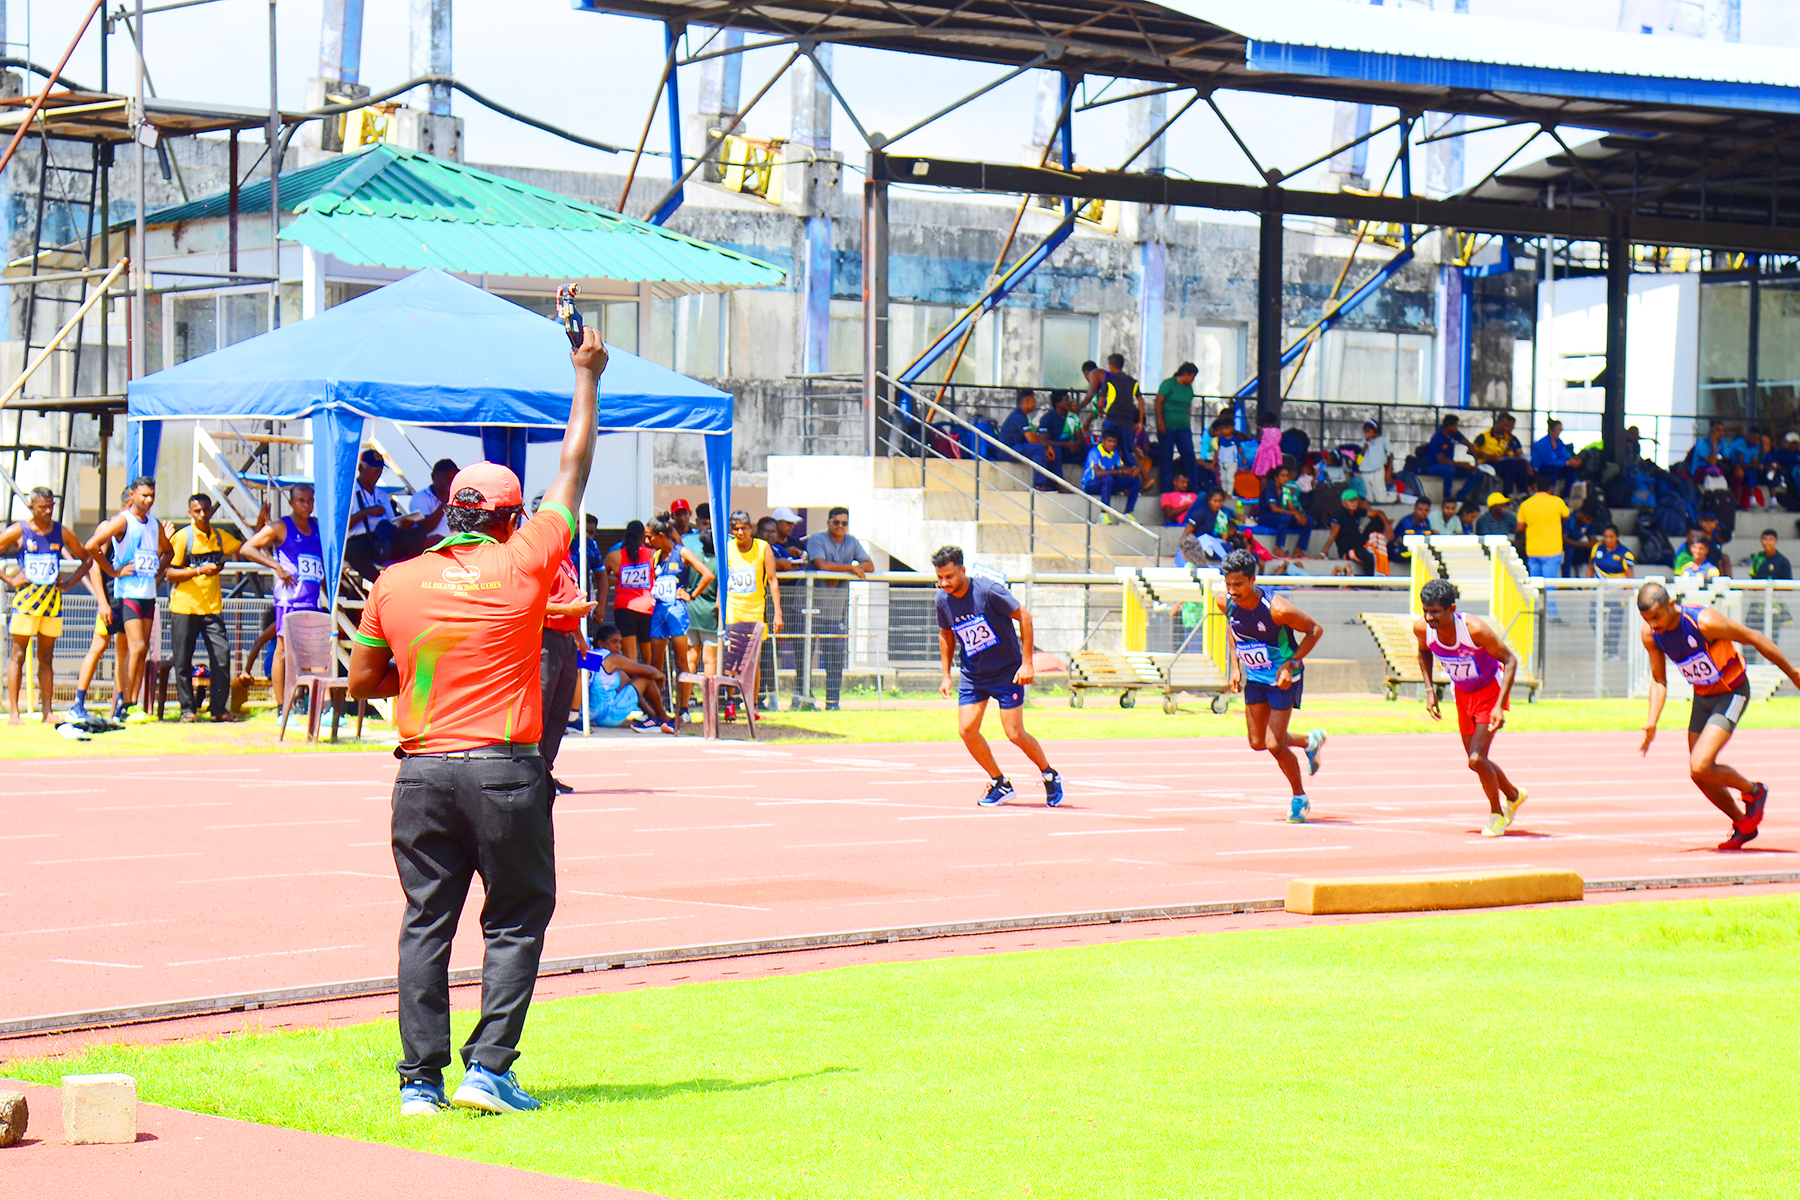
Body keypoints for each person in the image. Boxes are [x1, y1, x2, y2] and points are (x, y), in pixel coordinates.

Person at [347, 325, 606, 1118]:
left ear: (450, 510)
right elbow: (574, 468)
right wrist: (586, 373)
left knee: (426, 921)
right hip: (503, 768)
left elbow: (361, 682)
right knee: (516, 918)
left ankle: (418, 1084)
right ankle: (488, 1071)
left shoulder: (395, 580)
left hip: (422, 772)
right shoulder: (526, 561)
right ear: (510, 517)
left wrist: (428, 669)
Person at [1636, 581, 1800, 849]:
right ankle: (1743, 823)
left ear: (1671, 604)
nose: (1653, 624)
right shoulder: (1651, 634)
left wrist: (1792, 673)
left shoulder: (1704, 622)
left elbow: (1754, 637)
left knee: (1700, 764)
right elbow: (1658, 680)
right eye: (1647, 619)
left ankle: (1754, 791)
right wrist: (1652, 721)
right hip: (1702, 698)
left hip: (1732, 692)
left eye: (1657, 616)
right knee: (1699, 774)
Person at [932, 544, 1062, 808]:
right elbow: (946, 634)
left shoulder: (988, 591)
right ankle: (1000, 782)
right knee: (966, 730)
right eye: (940, 578)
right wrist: (946, 674)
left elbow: (1024, 616)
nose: (944, 583)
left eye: (949, 577)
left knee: (1014, 733)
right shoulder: (942, 600)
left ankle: (1049, 774)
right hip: (974, 674)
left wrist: (1027, 663)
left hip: (1006, 672)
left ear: (963, 570)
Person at [1217, 549, 1326, 823]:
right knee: (1257, 743)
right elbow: (1232, 629)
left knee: (1275, 744)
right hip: (1255, 677)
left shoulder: (1277, 608)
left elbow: (1315, 630)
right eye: (1228, 584)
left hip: (1282, 678)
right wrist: (1235, 666)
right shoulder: (1225, 602)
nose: (1232, 590)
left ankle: (1299, 797)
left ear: (1253, 579)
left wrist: (1292, 664)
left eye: (1238, 584)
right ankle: (1308, 740)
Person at [1414, 578, 1526, 837]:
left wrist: (1500, 706)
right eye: (1426, 611)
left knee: (1476, 758)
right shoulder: (1423, 629)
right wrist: (1430, 691)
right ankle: (1513, 795)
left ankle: (1497, 815)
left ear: (1452, 609)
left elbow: (1510, 661)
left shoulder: (1474, 629)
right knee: (1476, 761)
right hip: (1463, 694)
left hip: (1489, 691)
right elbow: (1423, 652)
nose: (1429, 618)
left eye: (1435, 612)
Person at [1, 486, 98, 724]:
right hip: (26, 602)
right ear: (31, 507)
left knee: (46, 657)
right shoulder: (19, 530)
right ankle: (14, 713)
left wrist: (70, 582)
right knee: (18, 654)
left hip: (52, 603)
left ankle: (48, 712)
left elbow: (87, 558)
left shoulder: (61, 531)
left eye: (51, 507)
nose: (47, 511)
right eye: (43, 507)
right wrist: (11, 580)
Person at [84, 475, 168, 725]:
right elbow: (92, 546)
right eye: (144, 495)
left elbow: (168, 551)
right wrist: (114, 572)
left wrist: (157, 573)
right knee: (136, 647)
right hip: (127, 593)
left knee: (140, 651)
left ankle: (131, 705)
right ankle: (126, 704)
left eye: (152, 495)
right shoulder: (122, 521)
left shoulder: (154, 524)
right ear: (132, 495)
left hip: (148, 594)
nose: (149, 500)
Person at [240, 483, 327, 719]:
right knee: (282, 651)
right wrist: (276, 566)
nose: (307, 505)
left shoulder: (317, 527)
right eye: (301, 500)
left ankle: (320, 706)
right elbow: (248, 548)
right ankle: (282, 709)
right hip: (289, 598)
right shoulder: (281, 526)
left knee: (315, 652)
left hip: (312, 599)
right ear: (291, 503)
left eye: (310, 500)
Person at [165, 494, 243, 724]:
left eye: (206, 510)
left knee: (221, 656)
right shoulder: (183, 537)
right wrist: (199, 570)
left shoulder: (218, 536)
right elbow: (169, 573)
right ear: (190, 513)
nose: (202, 514)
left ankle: (218, 709)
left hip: (211, 608)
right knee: (182, 660)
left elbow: (245, 547)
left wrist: (260, 525)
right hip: (184, 607)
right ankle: (188, 709)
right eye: (197, 511)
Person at [539, 536, 598, 795]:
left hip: (566, 640)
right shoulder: (541, 558)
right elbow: (529, 603)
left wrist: (580, 638)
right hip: (546, 639)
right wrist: (568, 609)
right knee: (542, 709)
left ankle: (545, 771)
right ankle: (532, 773)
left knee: (560, 711)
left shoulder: (566, 557)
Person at [69, 487, 131, 726]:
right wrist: (102, 601)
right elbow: (95, 564)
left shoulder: (139, 528)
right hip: (111, 599)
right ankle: (78, 703)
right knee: (98, 647)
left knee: (124, 652)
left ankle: (121, 705)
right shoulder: (109, 526)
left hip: (130, 598)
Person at [647, 513, 715, 716]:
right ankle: (656, 709)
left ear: (661, 535)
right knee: (655, 663)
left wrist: (691, 595)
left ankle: (683, 708)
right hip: (659, 610)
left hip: (676, 610)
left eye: (650, 537)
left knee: (681, 660)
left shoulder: (682, 552)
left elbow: (708, 575)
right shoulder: (656, 556)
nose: (647, 541)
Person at [804, 506, 871, 710]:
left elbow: (869, 565)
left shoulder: (852, 542)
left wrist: (841, 572)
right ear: (828, 523)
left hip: (834, 613)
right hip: (809, 610)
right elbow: (822, 565)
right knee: (804, 657)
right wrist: (850, 568)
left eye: (844, 523)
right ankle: (803, 700)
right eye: (836, 522)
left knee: (835, 659)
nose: (840, 526)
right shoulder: (817, 539)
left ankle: (833, 702)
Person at [724, 509, 783, 707]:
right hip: (733, 608)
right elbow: (722, 580)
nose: (740, 532)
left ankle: (752, 703)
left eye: (744, 528)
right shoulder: (727, 548)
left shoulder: (763, 547)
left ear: (751, 528)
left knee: (753, 660)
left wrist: (778, 613)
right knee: (732, 657)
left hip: (756, 609)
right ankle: (730, 701)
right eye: (736, 529)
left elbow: (772, 580)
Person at [585, 622, 679, 732]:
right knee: (645, 678)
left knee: (628, 681)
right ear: (601, 643)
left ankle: (654, 717)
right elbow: (649, 671)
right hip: (608, 715)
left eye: (620, 642)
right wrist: (661, 676)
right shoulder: (612, 658)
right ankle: (664, 719)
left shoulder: (592, 655)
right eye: (614, 642)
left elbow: (631, 688)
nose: (618, 646)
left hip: (590, 716)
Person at [604, 520, 656, 665]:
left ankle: (633, 679)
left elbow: (601, 578)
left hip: (624, 608)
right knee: (648, 657)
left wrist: (618, 579)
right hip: (647, 608)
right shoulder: (652, 554)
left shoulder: (614, 556)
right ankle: (649, 678)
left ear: (625, 535)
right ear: (642, 537)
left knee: (630, 657)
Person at [684, 504, 721, 677]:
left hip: (690, 611)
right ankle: (709, 694)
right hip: (709, 615)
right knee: (709, 660)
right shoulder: (720, 564)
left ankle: (684, 693)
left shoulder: (694, 559)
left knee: (690, 657)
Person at [397, 458, 458, 557]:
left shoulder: (459, 498)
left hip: (455, 550)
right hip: (430, 552)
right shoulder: (420, 497)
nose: (450, 480)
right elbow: (425, 527)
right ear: (433, 476)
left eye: (454, 476)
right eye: (446, 476)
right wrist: (445, 502)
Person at [1152, 362, 1199, 490]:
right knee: (1166, 456)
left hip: (1183, 426)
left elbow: (1188, 405)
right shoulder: (1168, 384)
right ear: (1186, 374)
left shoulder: (1189, 388)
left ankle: (1193, 486)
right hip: (1167, 425)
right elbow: (1158, 402)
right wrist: (1160, 421)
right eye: (1192, 376)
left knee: (1189, 454)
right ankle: (1166, 488)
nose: (1193, 380)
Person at [1592, 524, 1635, 658]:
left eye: (1611, 537)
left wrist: (1627, 593)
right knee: (1593, 619)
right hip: (1600, 592)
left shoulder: (1625, 553)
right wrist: (1585, 587)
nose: (1608, 539)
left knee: (1614, 623)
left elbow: (1630, 575)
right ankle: (1605, 643)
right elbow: (1590, 566)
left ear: (1617, 537)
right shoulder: (1597, 548)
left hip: (1617, 593)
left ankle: (1612, 651)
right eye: (1606, 536)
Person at [1516, 476, 1569, 582]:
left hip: (1533, 550)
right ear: (1551, 489)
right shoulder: (1557, 502)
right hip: (1552, 550)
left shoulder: (1525, 504)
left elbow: (1520, 527)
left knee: (1535, 585)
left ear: (1535, 487)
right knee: (1549, 584)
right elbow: (1566, 516)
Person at [999, 389, 1057, 481]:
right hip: (1007, 451)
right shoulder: (1018, 416)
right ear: (1027, 401)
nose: (1035, 403)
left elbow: (1034, 435)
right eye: (1033, 401)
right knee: (1038, 448)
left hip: (1015, 447)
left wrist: (1047, 446)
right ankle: (1040, 484)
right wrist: (1045, 448)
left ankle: (1053, 482)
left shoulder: (1023, 415)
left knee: (1051, 449)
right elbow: (1032, 440)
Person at [1082, 428, 1140, 517]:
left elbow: (1121, 467)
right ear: (1103, 441)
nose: (1112, 444)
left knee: (1135, 480)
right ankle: (1103, 514)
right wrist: (1121, 472)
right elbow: (1098, 473)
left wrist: (1131, 471)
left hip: (1108, 484)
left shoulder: (1115, 453)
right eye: (1109, 441)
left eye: (1114, 442)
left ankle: (1127, 513)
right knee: (1108, 478)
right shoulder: (1095, 452)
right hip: (1091, 484)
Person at [1423, 414, 1480, 503]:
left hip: (1451, 464)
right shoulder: (1437, 438)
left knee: (1476, 472)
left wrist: (1476, 461)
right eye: (1456, 426)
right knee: (1449, 470)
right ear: (1450, 427)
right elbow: (1441, 460)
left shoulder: (1454, 434)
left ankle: (1461, 496)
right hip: (1435, 466)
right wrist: (1462, 464)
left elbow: (1468, 444)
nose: (1457, 428)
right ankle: (1447, 497)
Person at [1471, 412, 1530, 496]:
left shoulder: (1507, 438)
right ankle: (1507, 494)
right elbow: (1471, 450)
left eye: (1508, 426)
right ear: (1497, 423)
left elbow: (1510, 453)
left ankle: (1523, 492)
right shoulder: (1484, 436)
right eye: (1504, 425)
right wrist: (1486, 456)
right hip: (1486, 462)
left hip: (1500, 461)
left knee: (1521, 464)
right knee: (1511, 465)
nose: (1506, 428)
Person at [1325, 492, 1384, 575]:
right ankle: (1370, 581)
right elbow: (1332, 536)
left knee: (1377, 521)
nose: (1353, 503)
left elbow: (1377, 513)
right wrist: (1323, 553)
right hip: (1347, 550)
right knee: (1368, 557)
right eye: (1351, 501)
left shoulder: (1356, 512)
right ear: (1344, 503)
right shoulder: (1339, 514)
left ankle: (1372, 546)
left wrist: (1387, 526)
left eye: (1355, 500)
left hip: (1360, 545)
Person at [1258, 464, 1311, 553]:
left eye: (1287, 476)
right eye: (1282, 476)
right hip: (1266, 517)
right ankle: (1278, 548)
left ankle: (1298, 549)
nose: (1285, 478)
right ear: (1276, 478)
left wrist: (1299, 515)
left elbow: (1291, 506)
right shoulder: (1270, 488)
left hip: (1280, 518)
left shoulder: (1286, 488)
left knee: (1308, 520)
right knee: (1285, 517)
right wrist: (1293, 513)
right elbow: (1274, 509)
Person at [1531, 419, 1583, 497]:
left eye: (1560, 430)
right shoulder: (1542, 443)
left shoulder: (1559, 443)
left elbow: (1564, 456)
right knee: (1553, 470)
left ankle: (1566, 495)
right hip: (1542, 468)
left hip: (1556, 468)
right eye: (1558, 429)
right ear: (1551, 430)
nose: (1559, 432)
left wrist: (1572, 460)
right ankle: (1550, 494)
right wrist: (1566, 463)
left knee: (1571, 470)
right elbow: (1547, 461)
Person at [1390, 496, 1434, 574]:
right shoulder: (1407, 520)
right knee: (1419, 555)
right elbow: (1412, 540)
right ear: (1415, 509)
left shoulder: (1426, 521)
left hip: (1412, 549)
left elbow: (1427, 539)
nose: (1423, 512)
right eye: (1420, 509)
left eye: (1426, 510)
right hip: (1397, 550)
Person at [1355, 418, 1394, 503]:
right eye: (1365, 431)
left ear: (1375, 429)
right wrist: (1366, 442)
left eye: (1369, 431)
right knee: (1369, 498)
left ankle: (1395, 497)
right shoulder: (1364, 441)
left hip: (1378, 470)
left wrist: (1389, 471)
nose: (1367, 433)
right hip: (1365, 470)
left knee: (1380, 498)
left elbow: (1391, 455)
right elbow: (1360, 454)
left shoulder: (1383, 440)